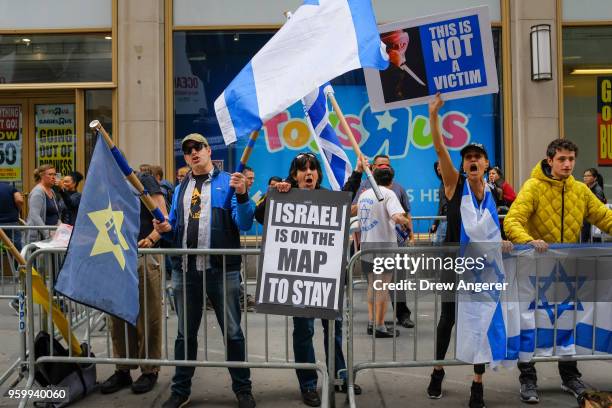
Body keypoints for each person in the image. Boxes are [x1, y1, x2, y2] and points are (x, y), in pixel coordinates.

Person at [504, 138, 612, 404]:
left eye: (571, 159)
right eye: (562, 159)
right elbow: (512, 220)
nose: (567, 164)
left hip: (568, 268)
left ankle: (570, 375)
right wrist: (528, 241)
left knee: (568, 320)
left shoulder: (581, 190)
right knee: (530, 320)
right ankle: (528, 378)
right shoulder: (533, 187)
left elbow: (603, 216)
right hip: (535, 268)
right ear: (550, 160)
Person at [255, 152, 366, 407]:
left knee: (334, 331)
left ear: (318, 174)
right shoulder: (284, 194)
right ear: (294, 175)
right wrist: (279, 189)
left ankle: (339, 376)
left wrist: (358, 171)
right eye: (302, 169)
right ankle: (307, 384)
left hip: (327, 282)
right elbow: (260, 215)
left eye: (313, 168)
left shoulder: (328, 197)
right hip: (299, 283)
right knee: (303, 332)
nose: (309, 173)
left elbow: (347, 194)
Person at [154, 133, 256, 408]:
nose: (193, 153)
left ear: (209, 150)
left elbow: (244, 223)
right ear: (185, 157)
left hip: (222, 270)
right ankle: (180, 390)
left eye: (198, 147)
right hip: (185, 271)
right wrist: (165, 230)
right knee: (184, 335)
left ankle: (243, 389)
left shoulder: (228, 183)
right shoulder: (180, 188)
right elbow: (176, 229)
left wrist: (243, 193)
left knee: (233, 333)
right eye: (187, 150)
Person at [427, 93, 512, 408]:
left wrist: (502, 240)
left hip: (483, 268)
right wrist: (434, 116)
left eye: (478, 156)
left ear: (487, 164)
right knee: (448, 319)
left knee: (482, 321)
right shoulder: (454, 184)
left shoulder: (491, 192)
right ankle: (437, 371)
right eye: (468, 157)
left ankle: (478, 384)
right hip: (453, 265)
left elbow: (491, 229)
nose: (472, 160)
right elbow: (439, 148)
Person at [100, 168, 166, 395]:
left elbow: (162, 216)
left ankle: (149, 370)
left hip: (143, 256)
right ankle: (123, 369)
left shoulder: (143, 179)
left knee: (148, 316)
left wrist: (151, 239)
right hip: (116, 256)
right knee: (117, 317)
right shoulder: (106, 183)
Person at [352, 154, 415, 329]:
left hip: (367, 246)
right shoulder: (388, 194)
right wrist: (405, 223)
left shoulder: (364, 196)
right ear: (391, 179)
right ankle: (380, 325)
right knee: (384, 287)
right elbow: (397, 216)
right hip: (385, 247)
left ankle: (372, 321)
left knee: (373, 285)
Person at [26, 165, 63, 242]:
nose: (53, 177)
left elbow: (56, 212)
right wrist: (46, 233)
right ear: (41, 176)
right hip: (41, 236)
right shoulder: (38, 192)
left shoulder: (51, 191)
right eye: (50, 174)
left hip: (53, 233)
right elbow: (35, 215)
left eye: (54, 174)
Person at [581, 168, 607, 242]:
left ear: (595, 178)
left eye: (588, 176)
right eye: (584, 176)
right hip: (587, 220)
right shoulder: (587, 188)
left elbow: (597, 205)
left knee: (594, 241)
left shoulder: (597, 189)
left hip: (594, 221)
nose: (585, 178)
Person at [430, 161, 448, 244]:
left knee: (438, 247)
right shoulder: (442, 183)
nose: (438, 168)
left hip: (448, 220)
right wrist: (436, 223)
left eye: (440, 166)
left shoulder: (450, 182)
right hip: (443, 220)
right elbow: (441, 205)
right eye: (437, 166)